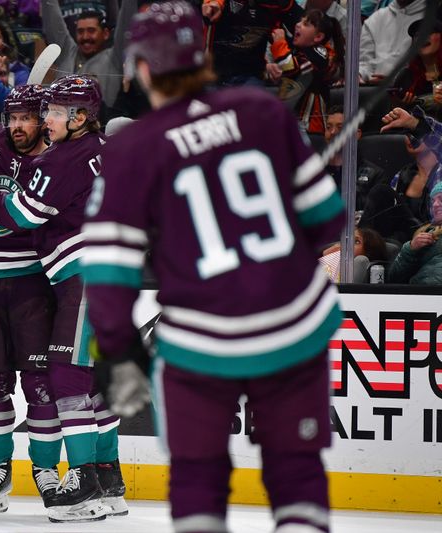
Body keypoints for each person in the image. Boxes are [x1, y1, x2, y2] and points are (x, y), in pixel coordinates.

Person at [81, 3, 345, 532]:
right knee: (296, 471)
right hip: (292, 325)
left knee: (198, 476)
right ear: (200, 57)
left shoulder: (131, 148)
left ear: (142, 68)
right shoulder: (262, 111)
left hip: (200, 340)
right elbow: (326, 221)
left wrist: (115, 347)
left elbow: (110, 266)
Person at [0, 75, 126, 523]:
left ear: (80, 118)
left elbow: (23, 215)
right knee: (94, 381)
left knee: (67, 378)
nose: (46, 119)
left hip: (87, 275)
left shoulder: (62, 158)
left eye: (55, 112)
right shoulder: (107, 149)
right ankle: (109, 482)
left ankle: (82, 485)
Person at [0, 84, 62, 513]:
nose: (17, 127)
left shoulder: (56, 160)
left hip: (32, 284)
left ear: (43, 119)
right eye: (12, 118)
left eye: (26, 118)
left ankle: (45, 471)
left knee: (40, 384)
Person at [41, 2, 137, 107]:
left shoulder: (114, 57)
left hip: (103, 122)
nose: (85, 37)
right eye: (80, 31)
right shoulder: (66, 52)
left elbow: (128, 15)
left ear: (105, 34)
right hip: (59, 121)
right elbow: (50, 10)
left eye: (91, 31)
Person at [270, 9, 345, 134]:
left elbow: (290, 67)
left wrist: (279, 43)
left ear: (318, 37)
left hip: (309, 125)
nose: (298, 25)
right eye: (300, 21)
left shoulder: (320, 54)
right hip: (289, 119)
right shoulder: (299, 50)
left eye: (306, 24)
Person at [203, 0, 304, 87]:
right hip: (212, 72)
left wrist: (281, 51)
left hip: (251, 73)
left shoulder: (281, 4)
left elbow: (310, 30)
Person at [359, 0, 425, 85]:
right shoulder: (376, 18)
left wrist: (395, 81)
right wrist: (360, 75)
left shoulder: (432, 18)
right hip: (370, 89)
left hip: (413, 91)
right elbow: (363, 62)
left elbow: (430, 67)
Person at [388, 181, 442, 283]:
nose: (435, 205)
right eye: (432, 201)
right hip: (416, 295)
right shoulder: (426, 234)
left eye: (441, 199)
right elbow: (394, 278)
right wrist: (411, 249)